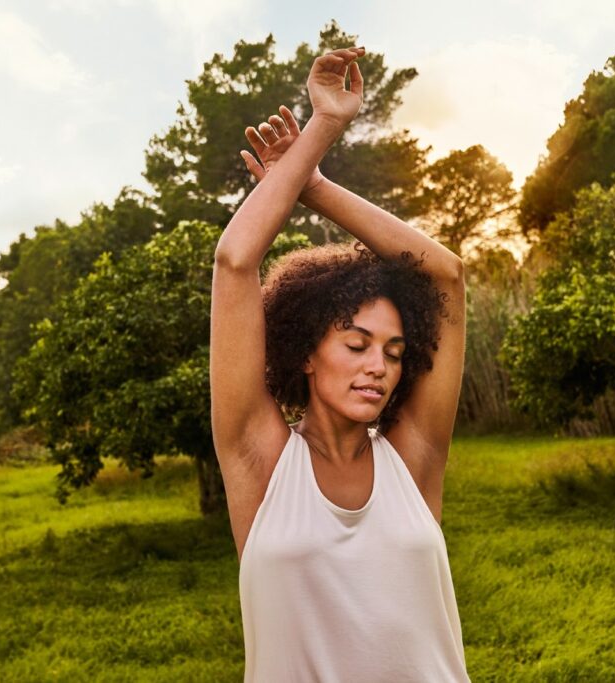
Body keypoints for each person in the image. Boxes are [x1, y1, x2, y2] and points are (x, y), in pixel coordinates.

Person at [210, 46, 469, 682]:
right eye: (356, 345)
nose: (378, 365)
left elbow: (446, 276)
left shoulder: (413, 458)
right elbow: (236, 263)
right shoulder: (260, 460)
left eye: (394, 352)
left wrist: (315, 187)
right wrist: (322, 126)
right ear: (305, 352)